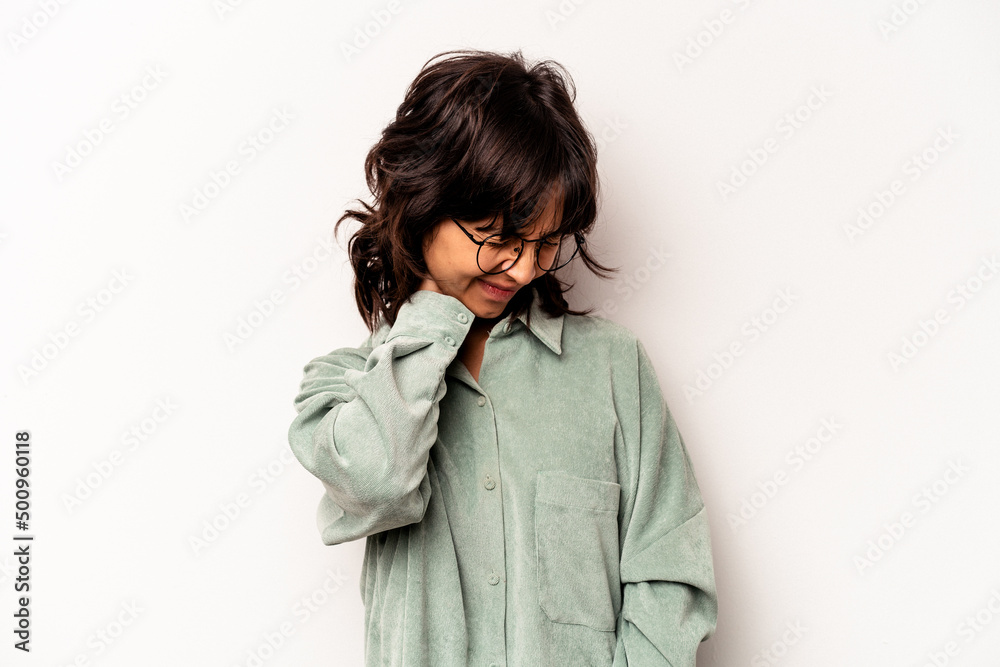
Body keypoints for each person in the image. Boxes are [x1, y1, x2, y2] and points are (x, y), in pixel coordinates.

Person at [287, 48, 718, 666]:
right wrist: (431, 312)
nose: (522, 269)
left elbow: (670, 573)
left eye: (546, 244)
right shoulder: (341, 391)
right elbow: (379, 484)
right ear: (427, 203)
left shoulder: (612, 368)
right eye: (501, 239)